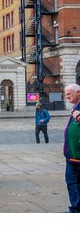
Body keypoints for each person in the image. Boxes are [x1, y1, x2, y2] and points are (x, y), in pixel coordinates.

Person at [63, 83, 80, 213]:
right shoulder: (75, 107)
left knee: (74, 183)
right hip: (71, 155)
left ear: (78, 92)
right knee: (72, 183)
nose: (66, 96)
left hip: (78, 155)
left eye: (69, 93)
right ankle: (75, 209)